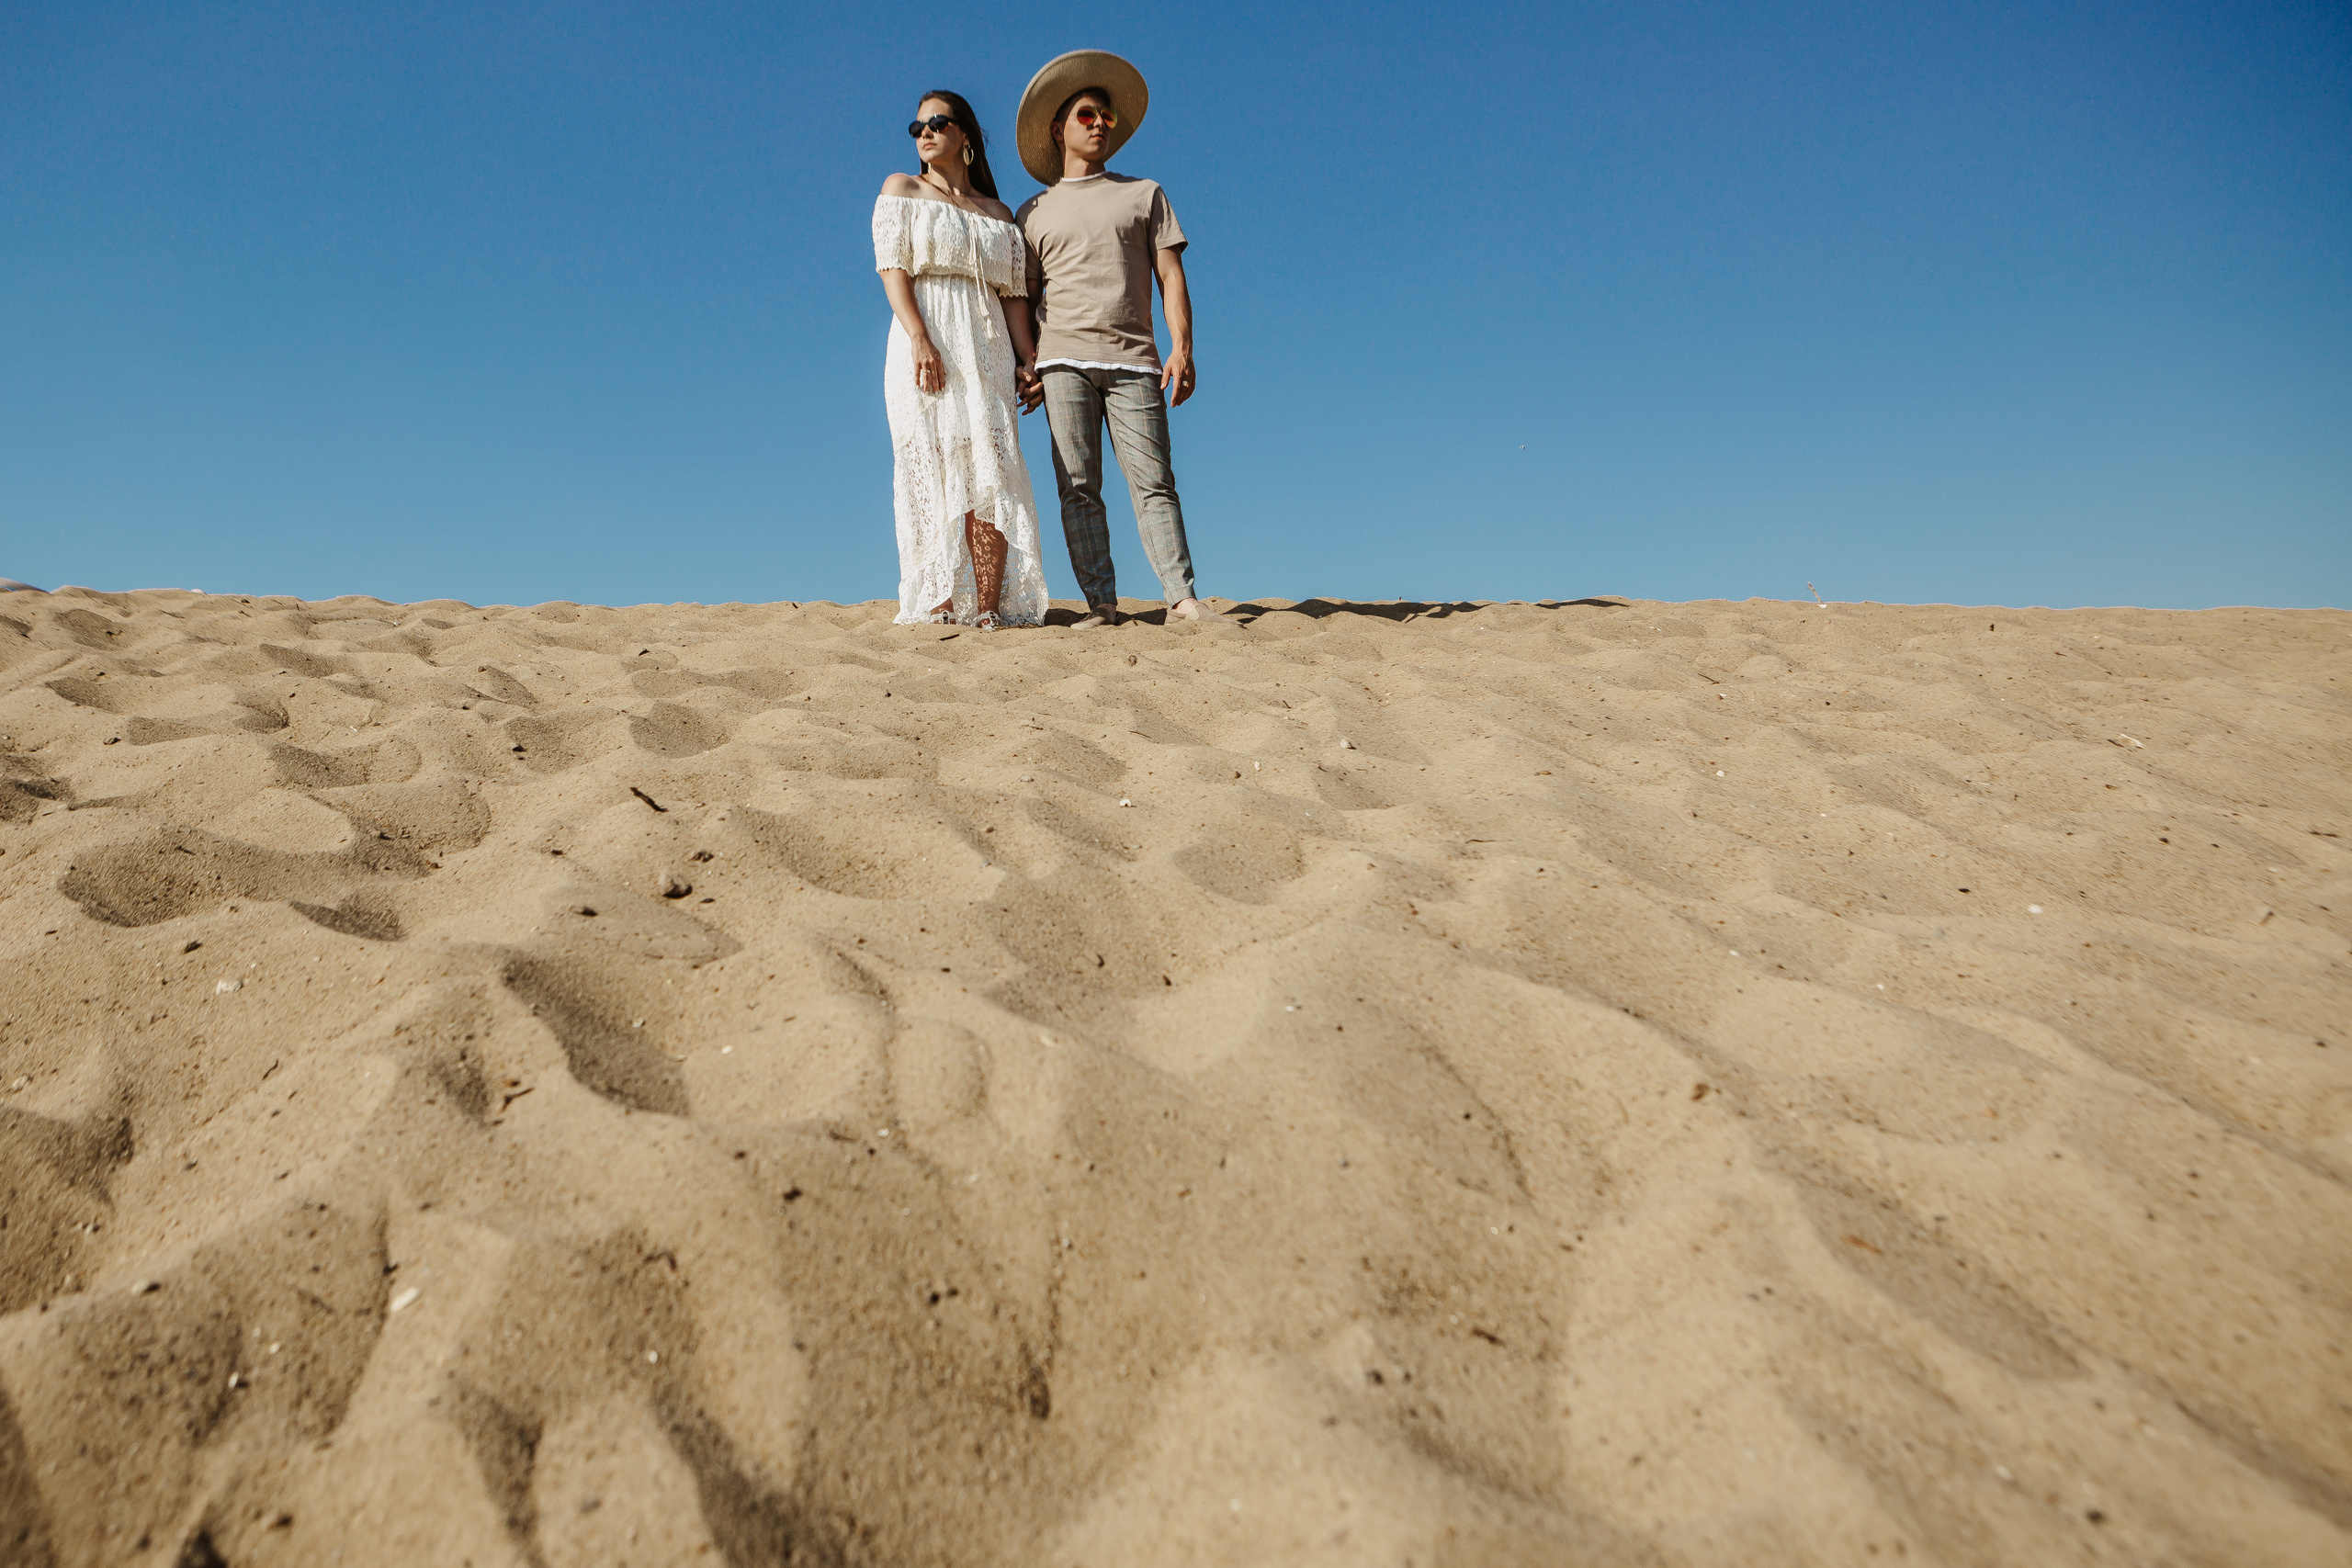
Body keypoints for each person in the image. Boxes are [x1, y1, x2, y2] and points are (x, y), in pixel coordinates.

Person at [1012, 51, 1219, 627]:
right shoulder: (1032, 212)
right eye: (1087, 115)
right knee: (1078, 487)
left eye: (1107, 116)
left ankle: (1183, 600)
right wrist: (1029, 362)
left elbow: (1171, 276)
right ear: (1059, 130)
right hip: (1062, 364)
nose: (1100, 124)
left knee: (1155, 483)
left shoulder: (1145, 194)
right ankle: (1101, 604)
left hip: (1135, 362)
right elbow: (1024, 298)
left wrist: (1183, 347)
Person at [873, 91, 1051, 627]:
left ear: (966, 134)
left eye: (937, 123)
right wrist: (919, 337)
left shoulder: (999, 214)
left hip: (986, 347)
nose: (924, 133)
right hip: (926, 337)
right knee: (929, 461)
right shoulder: (902, 189)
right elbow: (892, 268)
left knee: (990, 467)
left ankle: (989, 607)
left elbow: (1013, 296)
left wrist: (1029, 360)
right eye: (917, 127)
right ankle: (940, 601)